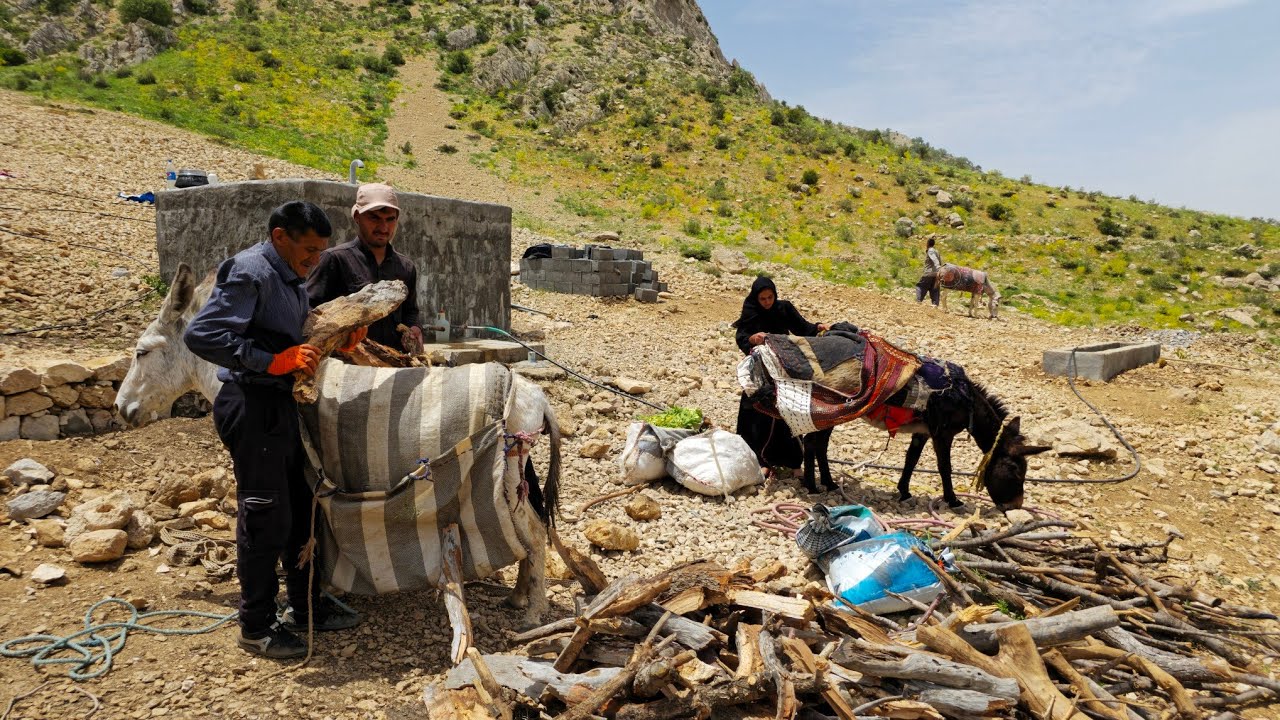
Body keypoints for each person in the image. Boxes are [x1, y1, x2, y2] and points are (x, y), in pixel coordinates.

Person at [184, 201, 363, 660]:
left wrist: (338, 337)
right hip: (252, 404)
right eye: (308, 249)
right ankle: (256, 626)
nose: (314, 260)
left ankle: (305, 606)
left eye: (321, 251)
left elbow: (286, 332)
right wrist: (272, 362)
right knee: (264, 517)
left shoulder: (287, 273)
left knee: (300, 507)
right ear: (280, 236)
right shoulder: (250, 271)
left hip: (279, 405)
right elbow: (201, 335)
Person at [305, 183, 423, 352]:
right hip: (346, 367)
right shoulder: (335, 259)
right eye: (374, 218)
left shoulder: (406, 267)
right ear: (357, 217)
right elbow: (310, 312)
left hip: (392, 365)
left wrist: (415, 327)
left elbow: (411, 312)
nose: (383, 227)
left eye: (390, 219)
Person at [733, 276, 830, 473]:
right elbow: (742, 338)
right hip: (761, 372)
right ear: (756, 298)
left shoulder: (783, 309)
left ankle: (793, 461)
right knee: (758, 415)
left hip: (784, 370)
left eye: (770, 297)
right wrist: (753, 338)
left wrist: (818, 327)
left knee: (788, 412)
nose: (767, 302)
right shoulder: (751, 313)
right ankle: (761, 462)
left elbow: (803, 328)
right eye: (763, 299)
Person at [915, 237, 943, 307]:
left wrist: (938, 267)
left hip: (929, 273)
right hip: (936, 274)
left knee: (920, 286)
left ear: (927, 244)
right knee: (935, 289)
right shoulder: (937, 251)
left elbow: (935, 260)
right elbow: (940, 261)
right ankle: (935, 304)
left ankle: (918, 301)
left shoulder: (930, 251)